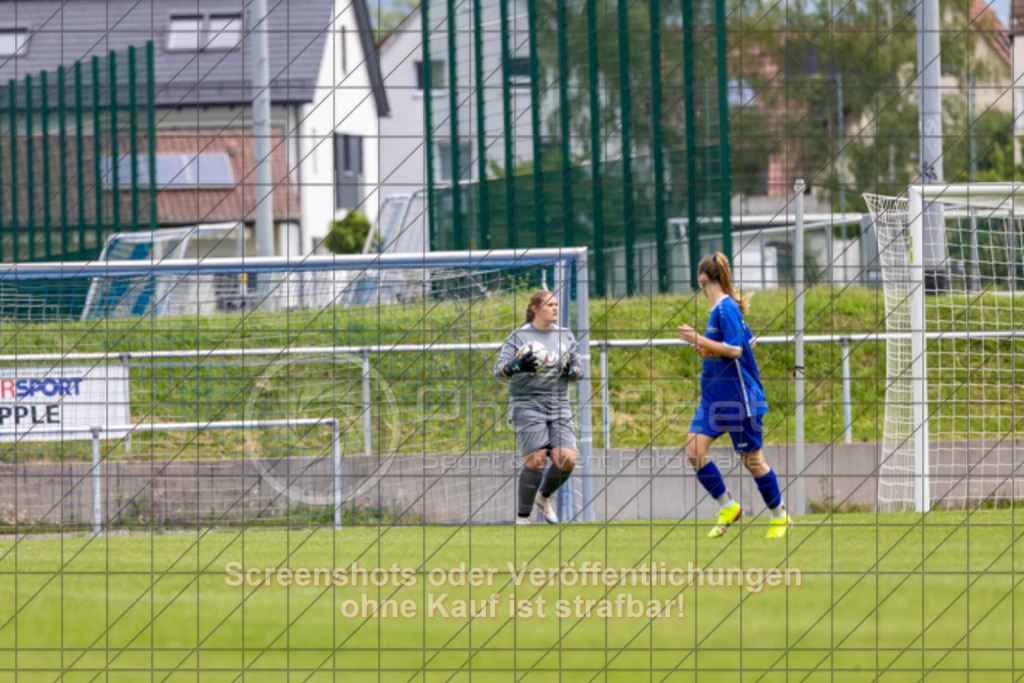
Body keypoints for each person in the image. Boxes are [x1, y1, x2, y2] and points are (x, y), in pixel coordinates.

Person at [676, 252, 792, 538]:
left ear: (702, 280)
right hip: (714, 398)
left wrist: (698, 339)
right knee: (694, 450)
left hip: (739, 400)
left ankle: (780, 516)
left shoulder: (726, 309)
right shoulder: (721, 310)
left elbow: (737, 350)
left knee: (753, 462)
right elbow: (743, 343)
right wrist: (707, 349)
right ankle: (728, 506)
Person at [494, 290, 583, 526]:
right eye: (549, 304)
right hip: (527, 403)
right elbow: (499, 370)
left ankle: (543, 498)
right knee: (536, 460)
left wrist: (572, 372)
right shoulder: (519, 336)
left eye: (556, 304)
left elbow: (579, 368)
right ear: (535, 309)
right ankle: (523, 519)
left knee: (567, 459)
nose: (555, 308)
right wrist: (513, 366)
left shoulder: (565, 334)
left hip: (558, 404)